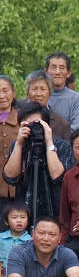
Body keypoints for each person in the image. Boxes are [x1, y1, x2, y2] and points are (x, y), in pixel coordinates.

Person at [3, 101, 74, 227]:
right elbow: (10, 177)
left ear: (47, 124)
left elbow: (57, 177)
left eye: (37, 124)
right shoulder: (18, 145)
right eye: (28, 124)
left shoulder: (62, 146)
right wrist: (19, 143)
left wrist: (49, 141)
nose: (33, 128)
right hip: (26, 209)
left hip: (55, 208)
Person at [24, 71, 72, 140]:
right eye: (34, 89)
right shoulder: (18, 118)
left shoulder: (62, 124)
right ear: (27, 92)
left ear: (50, 92)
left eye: (43, 89)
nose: (38, 94)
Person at [44, 53, 79, 129]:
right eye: (53, 67)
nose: (57, 72)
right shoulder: (38, 96)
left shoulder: (77, 99)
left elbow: (75, 129)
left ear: (68, 73)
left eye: (62, 68)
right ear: (46, 72)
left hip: (66, 140)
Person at [0, 76, 19, 216]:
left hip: (18, 187)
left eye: (5, 90)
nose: (2, 96)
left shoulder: (23, 118)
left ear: (13, 92)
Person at [0, 204, 31, 277]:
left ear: (28, 221)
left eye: (23, 217)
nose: (19, 220)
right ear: (6, 221)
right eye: (14, 217)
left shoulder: (31, 241)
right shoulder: (1, 238)